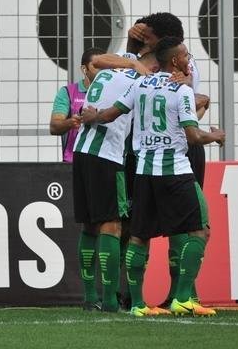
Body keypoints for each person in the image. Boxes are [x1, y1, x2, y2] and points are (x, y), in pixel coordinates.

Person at [85, 37, 225, 317]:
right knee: (201, 230)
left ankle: (138, 304)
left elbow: (112, 114)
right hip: (175, 171)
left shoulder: (140, 85)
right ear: (174, 61)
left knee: (139, 236)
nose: (188, 60)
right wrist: (217, 136)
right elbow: (193, 136)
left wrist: (93, 116)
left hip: (144, 172)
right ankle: (183, 298)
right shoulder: (182, 91)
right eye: (185, 56)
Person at [126, 12, 209, 306]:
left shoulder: (178, 66)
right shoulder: (149, 64)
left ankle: (181, 292)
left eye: (146, 35)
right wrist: (132, 48)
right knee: (147, 227)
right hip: (154, 153)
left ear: (160, 42)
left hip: (179, 150)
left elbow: (189, 98)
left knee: (184, 223)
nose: (141, 39)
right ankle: (165, 297)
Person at [72, 50, 154, 312]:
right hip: (107, 155)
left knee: (89, 225)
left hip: (81, 151)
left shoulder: (107, 72)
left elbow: (96, 60)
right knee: (112, 225)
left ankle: (89, 298)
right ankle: (109, 300)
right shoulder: (140, 81)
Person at [49, 49, 96, 162]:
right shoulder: (67, 92)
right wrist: (71, 122)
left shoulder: (112, 92)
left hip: (104, 160)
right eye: (96, 66)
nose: (102, 71)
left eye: (105, 67)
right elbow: (54, 127)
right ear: (84, 69)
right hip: (74, 161)